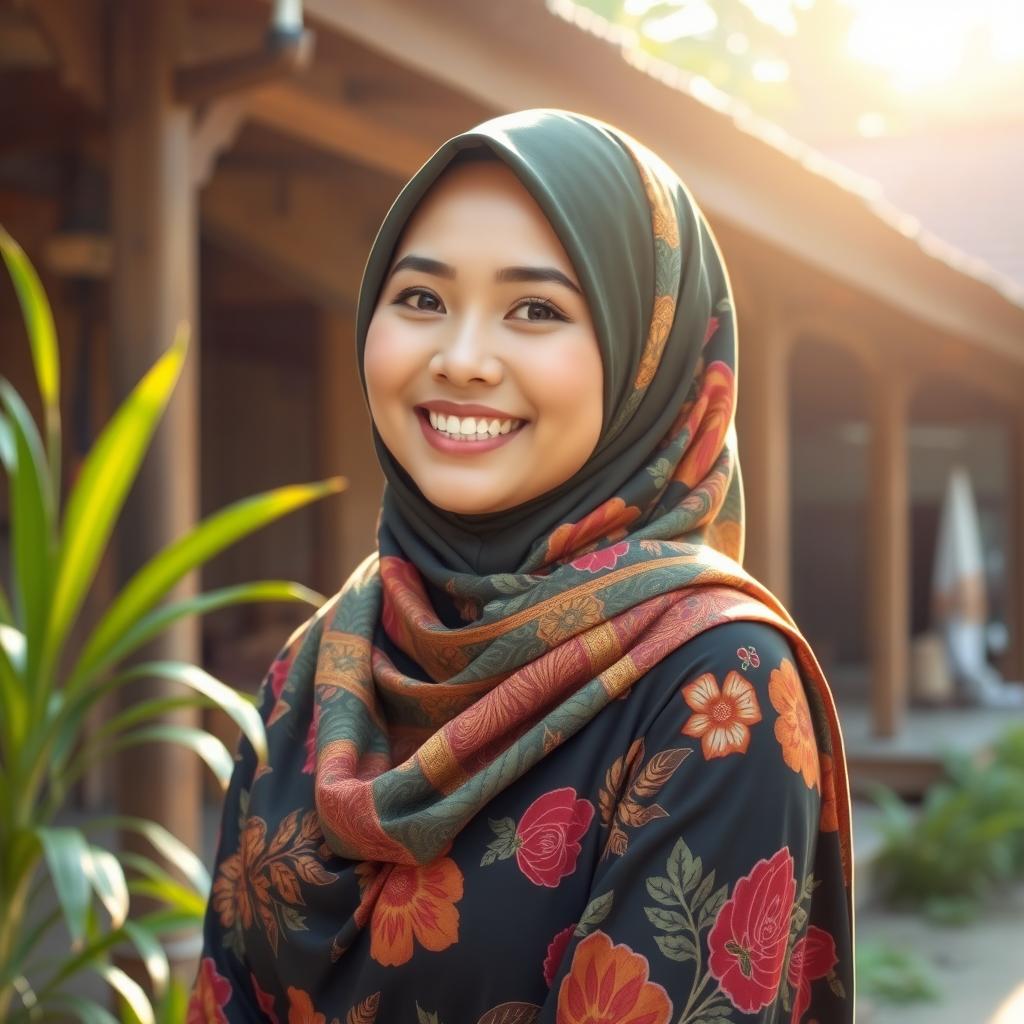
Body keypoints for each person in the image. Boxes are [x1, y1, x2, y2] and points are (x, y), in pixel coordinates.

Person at [187, 109, 854, 1024]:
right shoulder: (319, 665)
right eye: (420, 298)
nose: (459, 360)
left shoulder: (712, 683)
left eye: (535, 309)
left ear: (644, 362)